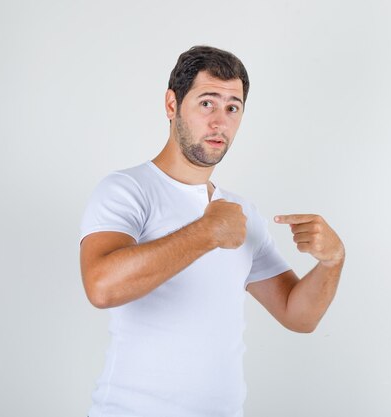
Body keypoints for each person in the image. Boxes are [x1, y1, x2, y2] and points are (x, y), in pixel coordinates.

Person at [79, 45, 345, 417]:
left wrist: (332, 262)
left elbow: (297, 315)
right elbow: (101, 286)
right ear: (172, 105)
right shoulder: (127, 189)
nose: (220, 121)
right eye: (207, 103)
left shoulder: (240, 213)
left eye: (232, 107)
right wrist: (205, 233)